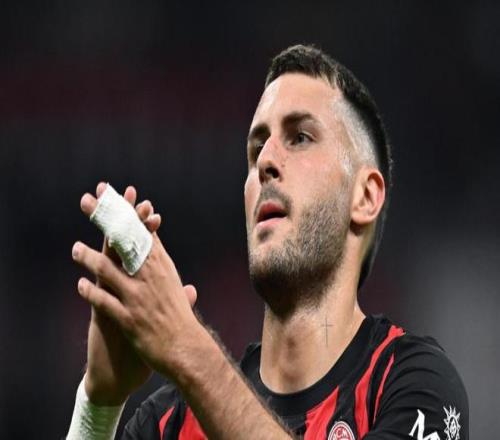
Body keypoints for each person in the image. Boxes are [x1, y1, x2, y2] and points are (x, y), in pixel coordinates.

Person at [67, 45, 468, 439]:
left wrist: (187, 345)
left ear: (364, 197)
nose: (265, 161)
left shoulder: (414, 385)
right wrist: (99, 406)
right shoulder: (170, 422)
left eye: (300, 137)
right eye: (257, 147)